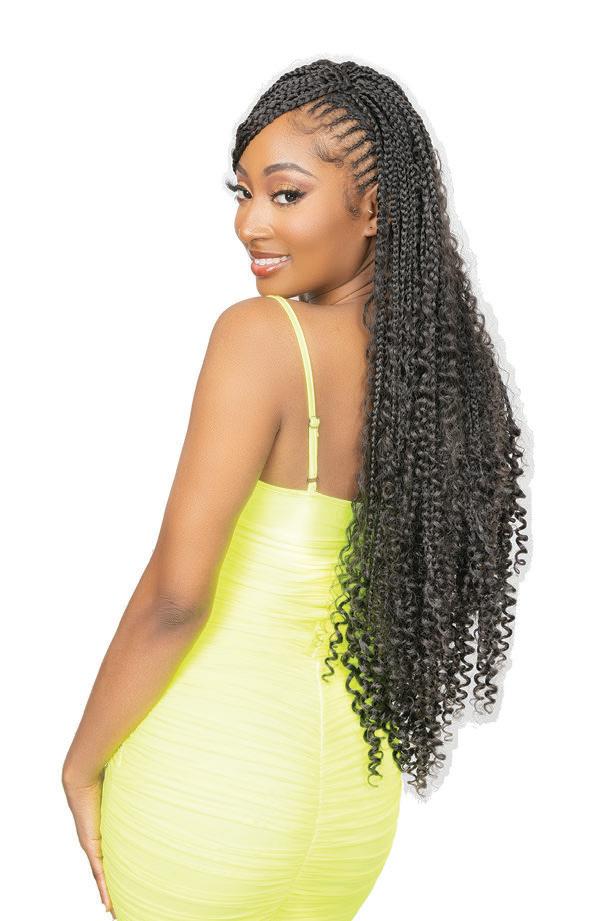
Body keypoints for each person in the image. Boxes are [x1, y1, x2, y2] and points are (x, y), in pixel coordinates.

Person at [61, 58, 529, 920]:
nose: (250, 223)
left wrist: (80, 764)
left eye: (286, 194)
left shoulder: (263, 336)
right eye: (242, 194)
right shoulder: (441, 383)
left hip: (211, 788)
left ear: (374, 207)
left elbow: (175, 598)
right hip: (351, 809)